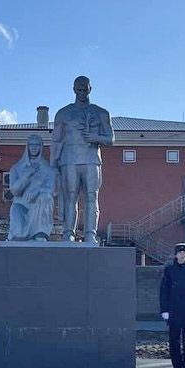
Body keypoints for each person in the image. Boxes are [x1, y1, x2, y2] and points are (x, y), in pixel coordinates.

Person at [50, 75, 114, 243]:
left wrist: (95, 136)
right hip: (69, 159)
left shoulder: (101, 112)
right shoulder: (63, 113)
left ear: (90, 89)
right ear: (73, 89)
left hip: (92, 159)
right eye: (79, 89)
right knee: (70, 197)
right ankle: (68, 232)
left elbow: (111, 139)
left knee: (91, 197)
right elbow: (56, 140)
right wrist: (53, 164)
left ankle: (90, 233)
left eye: (85, 89)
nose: (82, 93)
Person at [7, 133, 56, 241]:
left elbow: (51, 189)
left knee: (45, 197)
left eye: (37, 145)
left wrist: (38, 191)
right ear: (27, 147)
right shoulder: (16, 168)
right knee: (18, 235)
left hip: (38, 207)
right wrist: (26, 175)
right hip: (20, 206)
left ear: (41, 147)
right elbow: (14, 191)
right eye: (31, 145)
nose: (34, 147)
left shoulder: (48, 169)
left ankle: (40, 233)